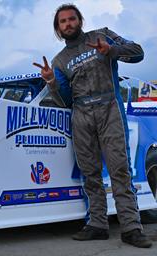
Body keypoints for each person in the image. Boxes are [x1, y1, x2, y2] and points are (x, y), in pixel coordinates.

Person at [33, 3, 152, 248]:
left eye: (72, 19)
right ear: (58, 29)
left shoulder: (102, 35)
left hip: (109, 106)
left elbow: (138, 52)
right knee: (90, 173)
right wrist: (52, 81)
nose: (68, 24)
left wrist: (111, 50)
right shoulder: (58, 61)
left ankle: (131, 228)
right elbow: (65, 100)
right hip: (81, 114)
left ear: (80, 20)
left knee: (120, 169)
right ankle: (97, 225)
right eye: (63, 22)